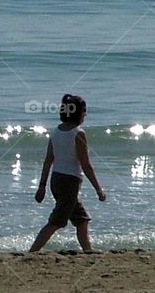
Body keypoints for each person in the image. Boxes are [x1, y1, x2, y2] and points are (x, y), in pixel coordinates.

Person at [29, 94, 106, 253]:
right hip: (69, 182)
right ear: (77, 112)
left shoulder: (56, 132)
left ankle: (88, 251)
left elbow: (48, 161)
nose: (85, 114)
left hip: (56, 180)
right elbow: (86, 165)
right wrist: (99, 189)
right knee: (56, 221)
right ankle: (33, 251)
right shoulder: (78, 133)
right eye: (84, 111)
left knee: (81, 219)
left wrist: (42, 186)